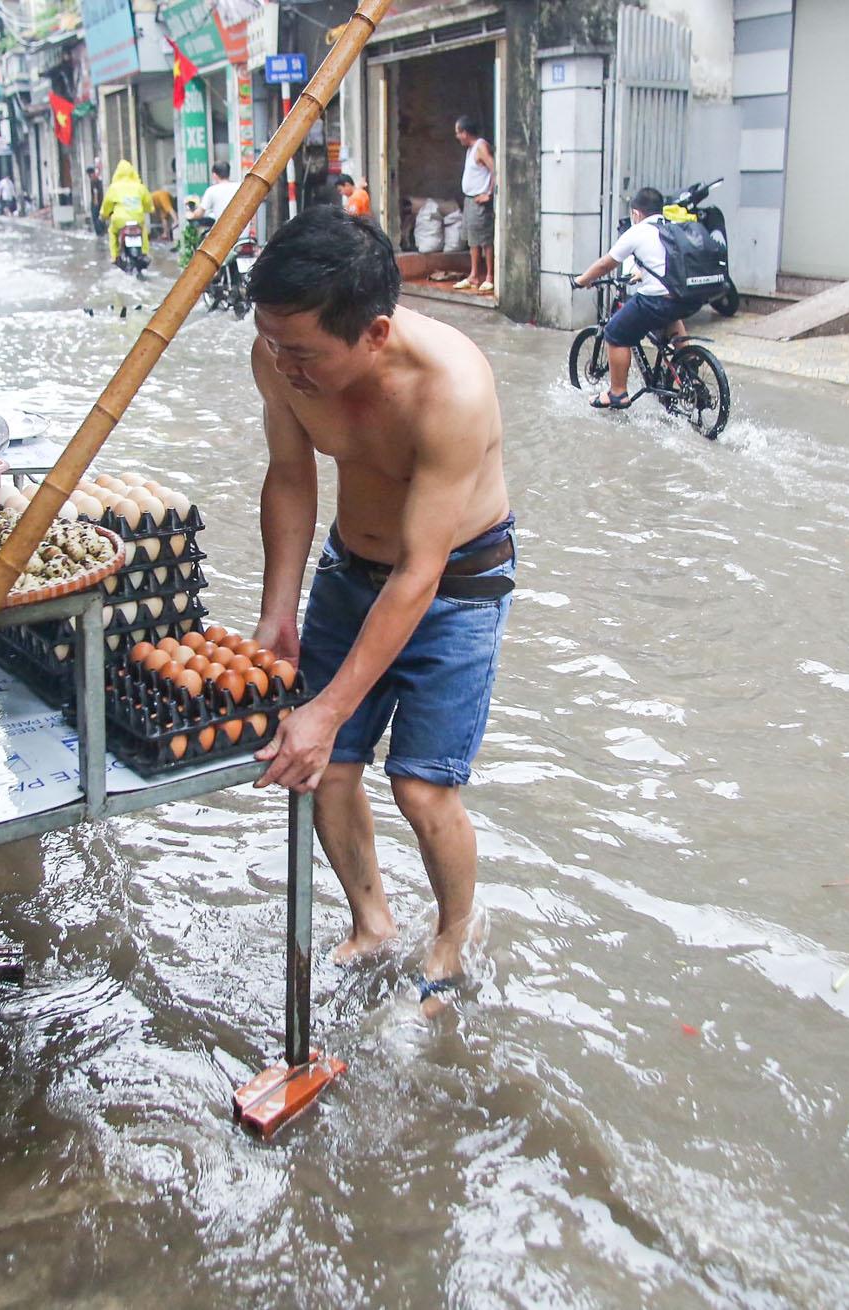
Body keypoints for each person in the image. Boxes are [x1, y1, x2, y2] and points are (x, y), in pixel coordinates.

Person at [245, 208, 513, 1007]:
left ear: (374, 333)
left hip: (455, 581)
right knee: (320, 772)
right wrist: (277, 611)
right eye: (272, 341)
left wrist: (327, 708)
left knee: (422, 787)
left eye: (303, 353)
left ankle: (453, 938)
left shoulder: (451, 389)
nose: (283, 364)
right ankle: (372, 924)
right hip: (349, 566)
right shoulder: (277, 354)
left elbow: (420, 575)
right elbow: (291, 478)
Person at [571, 186, 695, 410]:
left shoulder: (637, 231)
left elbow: (605, 264)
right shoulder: (672, 228)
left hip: (657, 300)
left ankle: (617, 393)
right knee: (671, 320)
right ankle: (690, 373)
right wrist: (642, 274)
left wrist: (582, 280)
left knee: (615, 331)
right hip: (686, 298)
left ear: (636, 214)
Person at [453, 114, 495, 294]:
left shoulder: (481, 147)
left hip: (480, 200)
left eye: (458, 132)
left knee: (485, 239)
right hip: (470, 199)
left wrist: (489, 194)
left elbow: (495, 169)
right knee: (473, 239)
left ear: (465, 132)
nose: (457, 136)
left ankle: (490, 277)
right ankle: (474, 275)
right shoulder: (470, 149)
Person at [99, 159, 153, 263]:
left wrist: (103, 215)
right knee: (143, 230)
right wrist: (149, 209)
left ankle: (115, 256)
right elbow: (148, 204)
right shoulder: (140, 187)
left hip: (119, 221)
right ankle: (145, 252)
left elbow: (106, 206)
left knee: (112, 231)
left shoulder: (113, 188)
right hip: (137, 218)